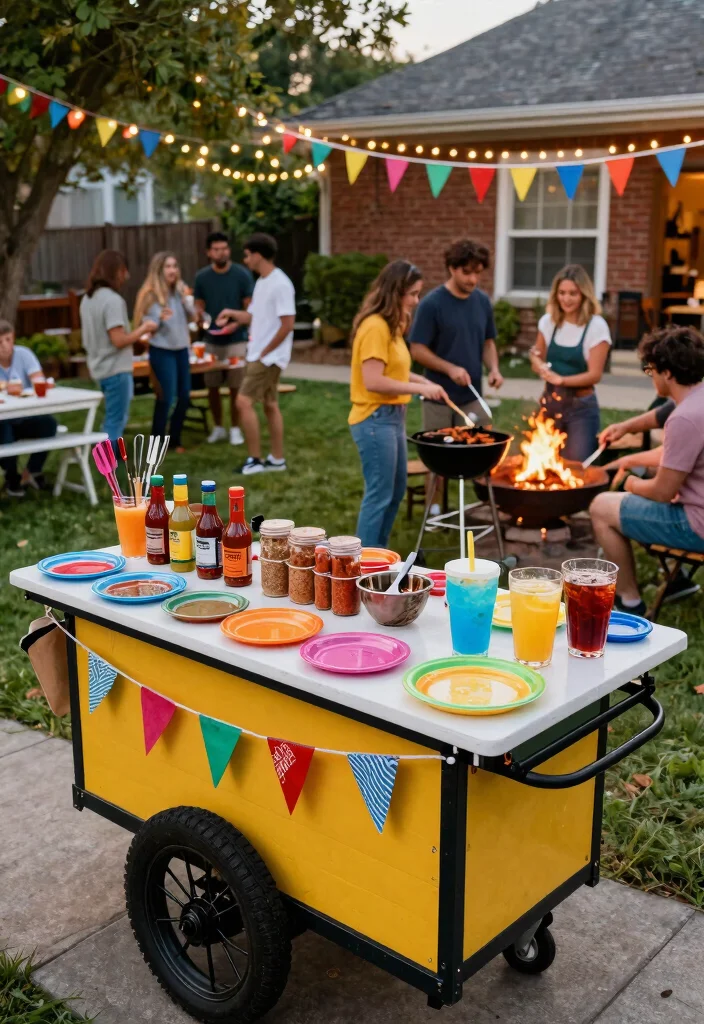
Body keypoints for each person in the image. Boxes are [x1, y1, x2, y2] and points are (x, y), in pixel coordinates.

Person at [590, 325, 704, 616]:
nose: (650, 375)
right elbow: (677, 456)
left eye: (650, 369)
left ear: (667, 372)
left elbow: (662, 493)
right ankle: (676, 580)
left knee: (602, 507)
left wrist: (630, 483)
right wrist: (630, 460)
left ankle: (630, 603)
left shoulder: (685, 418)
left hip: (697, 526)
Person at [348, 260, 448, 547]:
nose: (417, 301)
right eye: (413, 294)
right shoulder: (375, 327)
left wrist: (424, 382)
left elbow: (394, 370)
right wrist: (420, 390)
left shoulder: (391, 326)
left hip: (392, 418)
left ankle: (379, 553)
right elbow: (374, 381)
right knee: (380, 494)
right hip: (374, 418)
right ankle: (365, 561)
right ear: (396, 292)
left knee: (395, 490)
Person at [409, 239, 504, 516]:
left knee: (482, 450)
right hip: (438, 396)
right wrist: (449, 368)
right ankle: (436, 508)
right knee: (437, 455)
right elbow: (417, 350)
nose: (473, 278)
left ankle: (483, 506)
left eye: (477, 272)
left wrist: (494, 369)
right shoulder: (432, 304)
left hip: (472, 395)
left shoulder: (482, 302)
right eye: (467, 272)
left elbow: (488, 343)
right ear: (452, 268)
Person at [216, 233, 296, 475]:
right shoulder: (262, 282)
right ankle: (277, 460)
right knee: (270, 404)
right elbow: (253, 316)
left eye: (248, 254)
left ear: (259, 255)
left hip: (267, 357)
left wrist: (265, 352)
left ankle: (255, 460)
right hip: (259, 354)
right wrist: (231, 317)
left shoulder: (281, 284)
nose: (245, 259)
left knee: (243, 402)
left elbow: (287, 324)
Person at [529, 264, 611, 462]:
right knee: (544, 464)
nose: (566, 299)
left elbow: (595, 375)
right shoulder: (549, 322)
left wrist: (561, 380)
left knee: (576, 468)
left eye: (573, 293)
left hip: (581, 407)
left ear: (584, 294)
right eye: (562, 293)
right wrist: (537, 362)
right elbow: (536, 356)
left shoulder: (596, 326)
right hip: (550, 402)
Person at [80, 250, 158, 444]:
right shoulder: (113, 301)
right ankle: (107, 466)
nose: (128, 276)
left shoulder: (87, 299)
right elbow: (118, 340)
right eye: (125, 271)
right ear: (117, 272)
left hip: (98, 368)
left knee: (109, 418)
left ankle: (103, 458)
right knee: (115, 421)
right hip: (115, 369)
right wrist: (144, 328)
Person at [193, 231, 254, 446]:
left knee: (237, 386)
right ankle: (218, 427)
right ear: (209, 253)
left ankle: (235, 429)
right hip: (211, 340)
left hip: (237, 339)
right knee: (212, 386)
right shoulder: (202, 277)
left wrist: (236, 324)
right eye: (216, 249)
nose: (221, 252)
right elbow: (199, 306)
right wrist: (200, 319)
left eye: (224, 248)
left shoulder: (242, 275)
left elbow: (250, 308)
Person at [134, 252, 191, 454]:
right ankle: (157, 443)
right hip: (162, 350)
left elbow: (193, 318)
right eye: (168, 266)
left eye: (175, 266)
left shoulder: (179, 292)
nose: (173, 270)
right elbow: (144, 327)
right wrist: (159, 319)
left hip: (182, 349)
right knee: (166, 397)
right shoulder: (150, 296)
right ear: (159, 270)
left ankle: (175, 439)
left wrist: (188, 300)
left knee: (185, 397)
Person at [0, 321, 57, 497]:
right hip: (3, 419)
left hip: (25, 415)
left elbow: (38, 380)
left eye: (7, 340)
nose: (4, 346)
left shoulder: (24, 355)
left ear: (13, 338)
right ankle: (12, 477)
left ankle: (31, 471)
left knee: (49, 425)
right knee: (3, 430)